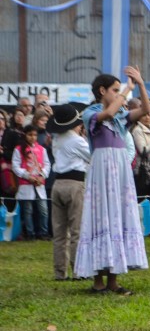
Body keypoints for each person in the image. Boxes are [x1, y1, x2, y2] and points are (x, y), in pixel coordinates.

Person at [75, 68, 150, 293]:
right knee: (100, 217)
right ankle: (98, 281)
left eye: (119, 90)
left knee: (118, 216)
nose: (120, 94)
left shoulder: (121, 116)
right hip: (101, 169)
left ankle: (113, 281)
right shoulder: (90, 113)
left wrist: (141, 84)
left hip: (120, 169)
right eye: (115, 90)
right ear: (102, 91)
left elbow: (146, 110)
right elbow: (107, 114)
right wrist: (128, 89)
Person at [46, 105, 90, 279]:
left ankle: (60, 272)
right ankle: (78, 271)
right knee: (77, 230)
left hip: (57, 184)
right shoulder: (77, 141)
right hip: (74, 184)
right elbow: (92, 156)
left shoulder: (57, 138)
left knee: (59, 232)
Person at [12, 124, 52, 240]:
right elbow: (15, 166)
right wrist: (27, 175)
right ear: (25, 135)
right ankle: (30, 234)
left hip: (39, 183)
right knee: (28, 210)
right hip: (26, 184)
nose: (33, 137)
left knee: (43, 210)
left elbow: (47, 164)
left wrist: (42, 176)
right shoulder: (18, 149)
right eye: (30, 135)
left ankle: (43, 233)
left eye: (35, 135)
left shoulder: (42, 149)